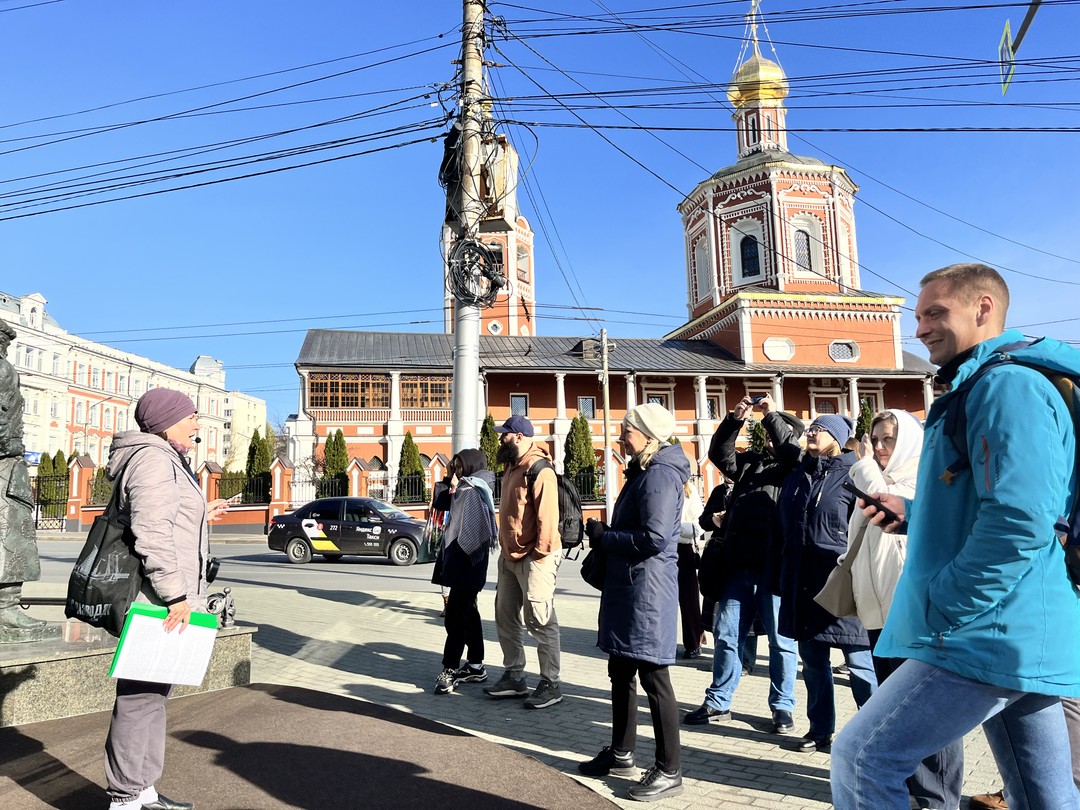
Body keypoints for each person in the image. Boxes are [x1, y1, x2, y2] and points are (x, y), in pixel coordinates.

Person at [831, 263, 1080, 810]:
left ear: (983, 308)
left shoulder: (1007, 386)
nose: (918, 329)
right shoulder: (990, 383)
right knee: (1044, 796)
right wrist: (918, 514)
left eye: (935, 313)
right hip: (1017, 626)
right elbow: (991, 502)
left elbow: (1021, 519)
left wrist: (947, 603)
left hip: (984, 629)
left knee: (864, 758)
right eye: (918, 316)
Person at [103, 388, 229, 810]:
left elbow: (165, 518)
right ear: (166, 420)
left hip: (165, 600)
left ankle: (143, 790)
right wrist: (176, 596)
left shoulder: (164, 458)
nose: (197, 424)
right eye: (191, 417)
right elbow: (151, 532)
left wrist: (201, 513)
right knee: (139, 701)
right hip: (156, 601)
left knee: (153, 698)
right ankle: (124, 798)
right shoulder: (153, 458)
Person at [845, 410, 964, 809]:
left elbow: (884, 506)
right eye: (875, 439)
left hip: (916, 613)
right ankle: (914, 789)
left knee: (930, 713)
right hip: (881, 614)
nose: (878, 448)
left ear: (909, 442)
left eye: (888, 439)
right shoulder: (880, 478)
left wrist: (862, 464)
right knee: (896, 709)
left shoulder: (923, 480)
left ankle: (938, 798)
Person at [577, 403, 690, 802]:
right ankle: (622, 753)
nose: (622, 438)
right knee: (621, 668)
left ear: (649, 436)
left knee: (654, 678)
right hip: (632, 587)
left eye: (627, 431)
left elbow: (656, 537)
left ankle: (669, 769)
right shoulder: (645, 470)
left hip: (647, 590)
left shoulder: (658, 474)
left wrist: (606, 537)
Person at [684, 395, 802, 736]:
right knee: (726, 635)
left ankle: (782, 707)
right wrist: (735, 421)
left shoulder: (792, 468)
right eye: (765, 433)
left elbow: (788, 450)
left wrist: (770, 414)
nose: (767, 439)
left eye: (773, 433)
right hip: (738, 567)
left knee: (782, 644)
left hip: (773, 571)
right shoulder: (751, 464)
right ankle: (718, 701)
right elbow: (719, 454)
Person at [777, 413, 876, 754]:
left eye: (819, 430)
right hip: (804, 584)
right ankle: (819, 730)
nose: (811, 434)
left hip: (842, 583)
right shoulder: (801, 474)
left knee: (861, 666)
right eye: (810, 429)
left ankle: (877, 737)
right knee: (814, 663)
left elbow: (865, 531)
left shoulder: (854, 473)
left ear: (837, 437)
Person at [483, 415, 563, 709]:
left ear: (518, 436)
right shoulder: (510, 467)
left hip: (535, 557)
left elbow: (548, 519)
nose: (500, 438)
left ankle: (551, 682)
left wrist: (538, 556)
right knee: (505, 616)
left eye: (504, 434)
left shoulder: (540, 470)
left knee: (540, 620)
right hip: (509, 556)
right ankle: (515, 676)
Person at [431, 449, 497, 695]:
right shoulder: (464, 487)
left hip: (469, 561)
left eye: (459, 467)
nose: (457, 471)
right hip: (462, 559)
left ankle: (450, 668)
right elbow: (440, 503)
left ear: (470, 466)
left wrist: (455, 481)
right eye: (454, 467)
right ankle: (476, 665)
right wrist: (449, 476)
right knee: (468, 613)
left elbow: (475, 531)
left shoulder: (474, 489)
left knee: (455, 618)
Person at [676, 478, 706, 659]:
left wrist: (671, 528)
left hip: (683, 549)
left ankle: (693, 643)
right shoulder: (659, 484)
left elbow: (698, 526)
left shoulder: (690, 490)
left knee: (689, 601)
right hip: (660, 549)